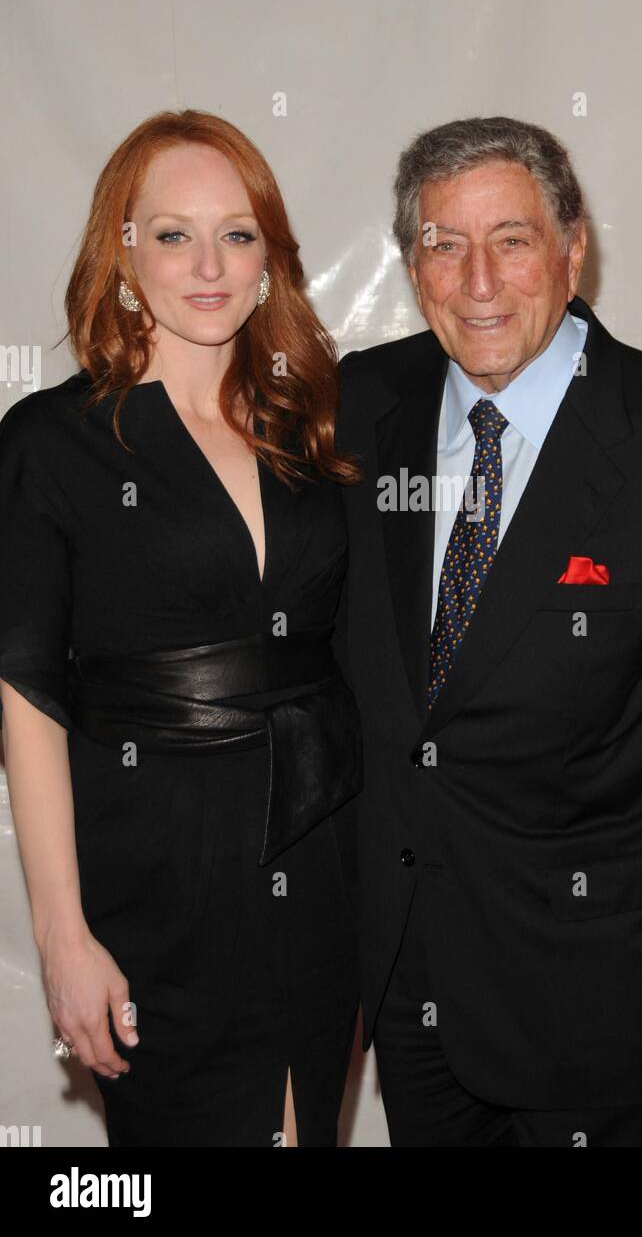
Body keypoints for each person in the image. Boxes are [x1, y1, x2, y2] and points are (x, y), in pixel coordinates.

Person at [334, 115, 642, 1147]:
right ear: (411, 264)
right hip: (414, 988)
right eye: (442, 245)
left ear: (571, 247)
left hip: (607, 999)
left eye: (510, 238)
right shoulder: (358, 406)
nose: (478, 280)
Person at [0, 109, 363, 1147]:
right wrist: (62, 935)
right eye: (172, 233)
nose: (209, 263)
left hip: (316, 851)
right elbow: (27, 696)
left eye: (238, 233)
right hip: (158, 874)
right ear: (120, 250)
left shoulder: (313, 431)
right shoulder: (51, 443)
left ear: (268, 260)